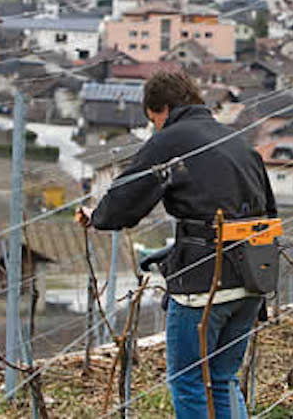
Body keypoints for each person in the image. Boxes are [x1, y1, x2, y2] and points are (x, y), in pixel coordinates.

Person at [76, 71, 276, 418]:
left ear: (163, 109)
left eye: (154, 121)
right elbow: (265, 211)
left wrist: (97, 217)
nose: (155, 129)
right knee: (223, 379)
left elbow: (127, 198)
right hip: (253, 277)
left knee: (189, 381)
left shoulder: (171, 140)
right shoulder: (237, 142)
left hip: (203, 284)